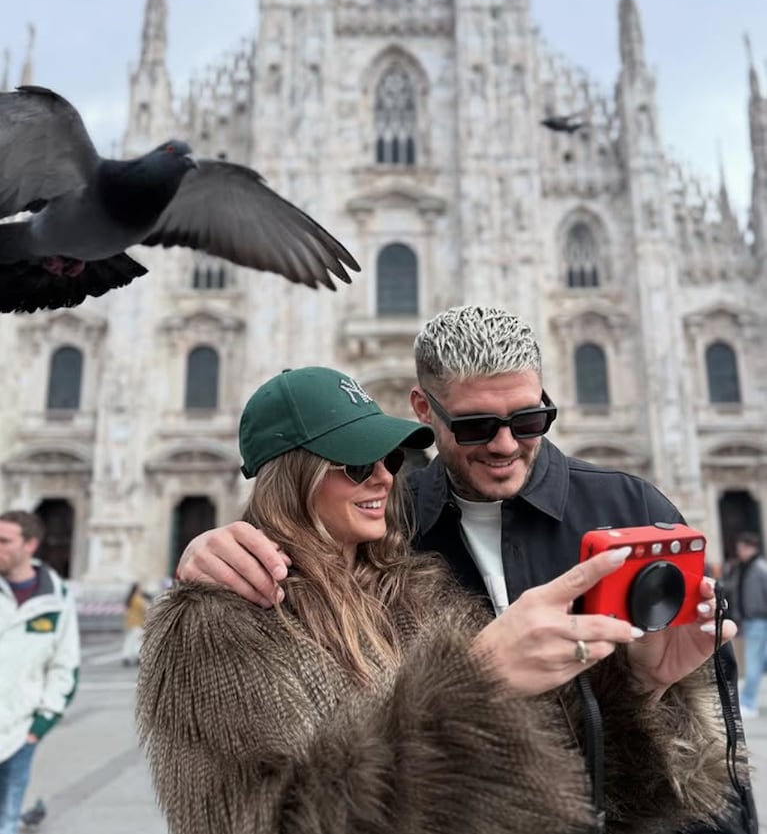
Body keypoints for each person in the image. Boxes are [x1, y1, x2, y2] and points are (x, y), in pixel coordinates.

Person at [177, 306, 757, 833]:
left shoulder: (631, 510)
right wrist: (212, 550)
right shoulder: (397, 537)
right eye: (476, 426)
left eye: (529, 420)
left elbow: (702, 754)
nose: (505, 445)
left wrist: (643, 689)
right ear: (426, 410)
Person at [0, 510, 80, 834]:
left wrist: (40, 724)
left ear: (30, 545)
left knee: (7, 819)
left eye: (5, 541)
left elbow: (65, 665)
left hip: (20, 732)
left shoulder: (57, 598)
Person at [725, 533, 767, 718]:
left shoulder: (759, 569)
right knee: (758, 660)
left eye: (742, 548)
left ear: (751, 548)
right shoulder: (744, 568)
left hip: (758, 620)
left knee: (753, 662)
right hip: (751, 620)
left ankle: (748, 702)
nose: (739, 552)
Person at [121, 582, 148, 667]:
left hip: (130, 623)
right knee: (138, 641)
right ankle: (138, 657)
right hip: (137, 623)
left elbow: (126, 612)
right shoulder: (138, 599)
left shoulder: (130, 599)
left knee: (129, 641)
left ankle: (126, 656)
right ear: (137, 589)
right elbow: (146, 608)